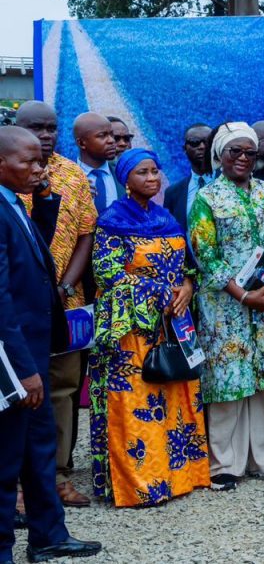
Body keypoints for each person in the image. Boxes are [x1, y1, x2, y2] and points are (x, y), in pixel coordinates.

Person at [0, 125, 102, 562]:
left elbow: (36, 261)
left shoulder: (17, 202)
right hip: (15, 362)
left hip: (36, 354)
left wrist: (42, 199)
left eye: (40, 161)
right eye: (28, 161)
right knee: (6, 462)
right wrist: (24, 371)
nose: (38, 168)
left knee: (39, 452)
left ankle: (48, 536)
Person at [88, 149, 210, 507]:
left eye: (156, 171)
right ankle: (143, 484)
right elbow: (107, 275)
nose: (152, 178)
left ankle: (179, 478)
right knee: (137, 405)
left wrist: (187, 288)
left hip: (172, 326)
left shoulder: (166, 218)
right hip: (131, 332)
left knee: (173, 398)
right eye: (143, 172)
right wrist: (161, 292)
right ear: (126, 179)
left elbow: (188, 266)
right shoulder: (111, 221)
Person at [190, 122, 264, 491]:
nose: (242, 158)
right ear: (219, 155)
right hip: (226, 306)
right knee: (229, 379)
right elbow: (206, 255)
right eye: (234, 151)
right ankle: (226, 464)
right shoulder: (207, 199)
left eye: (249, 152)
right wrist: (243, 294)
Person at [15, 102, 97, 509]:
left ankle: (59, 477)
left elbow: (85, 234)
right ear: (16, 128)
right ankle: (15, 485)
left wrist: (64, 286)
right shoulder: (8, 173)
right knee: (16, 392)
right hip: (14, 307)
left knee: (63, 389)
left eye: (51, 128)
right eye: (36, 128)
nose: (46, 135)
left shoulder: (72, 174)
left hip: (67, 303)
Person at [163, 124, 213, 232]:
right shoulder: (173, 193)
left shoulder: (231, 184)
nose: (202, 146)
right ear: (184, 149)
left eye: (208, 142)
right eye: (195, 142)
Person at [74, 113, 121, 214]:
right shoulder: (64, 178)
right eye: (102, 136)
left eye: (111, 135)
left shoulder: (123, 174)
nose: (112, 141)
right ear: (81, 143)